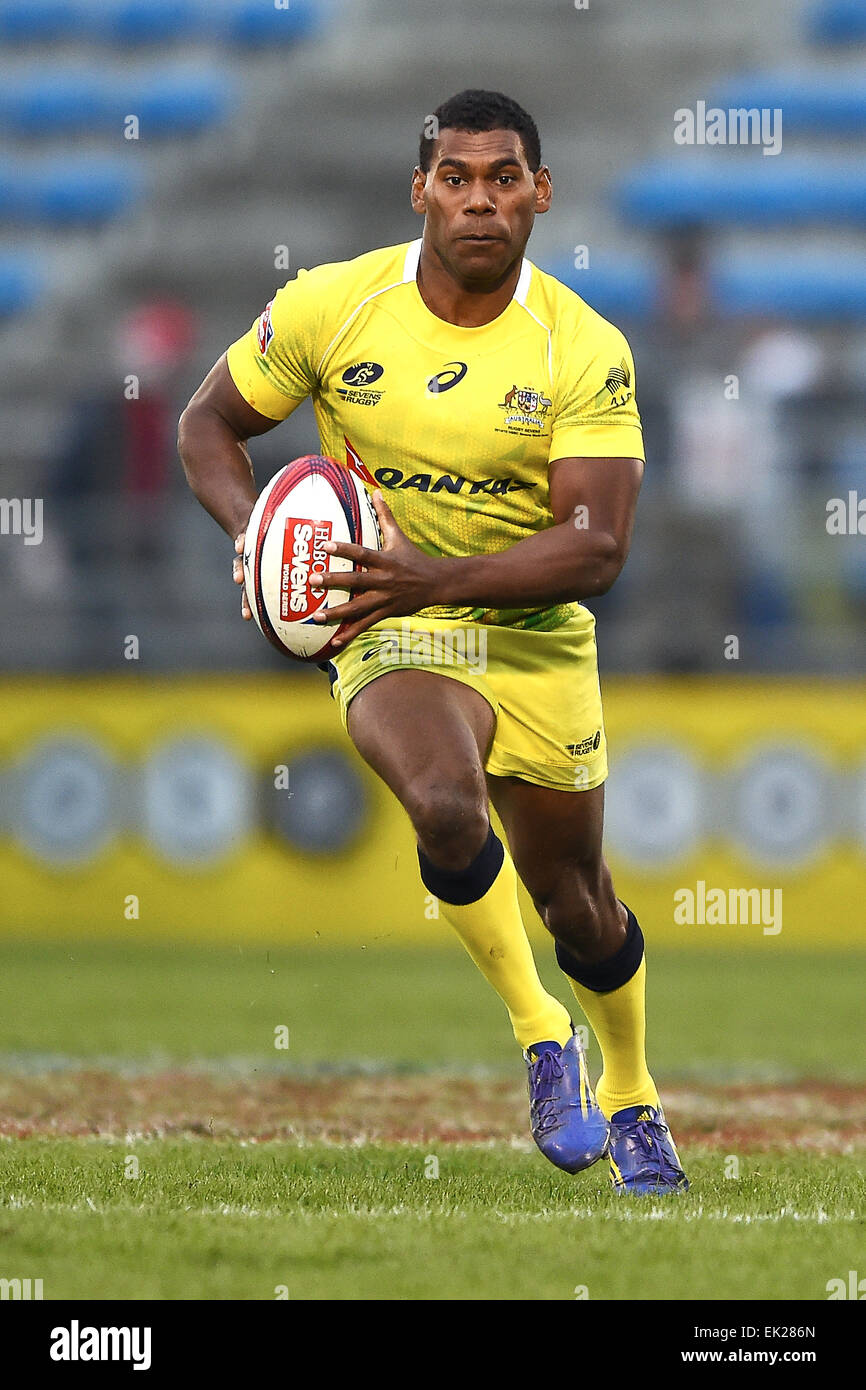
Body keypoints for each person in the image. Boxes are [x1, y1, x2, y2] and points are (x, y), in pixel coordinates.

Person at [178, 89, 688, 1194]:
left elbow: (594, 548)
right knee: (444, 805)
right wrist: (251, 531)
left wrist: (437, 572)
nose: (477, 200)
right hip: (388, 620)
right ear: (418, 190)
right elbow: (206, 423)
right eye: (453, 177)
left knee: (581, 908)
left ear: (539, 195)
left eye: (503, 178)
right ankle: (538, 1034)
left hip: (535, 634)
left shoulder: (580, 347)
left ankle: (633, 1091)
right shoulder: (332, 305)